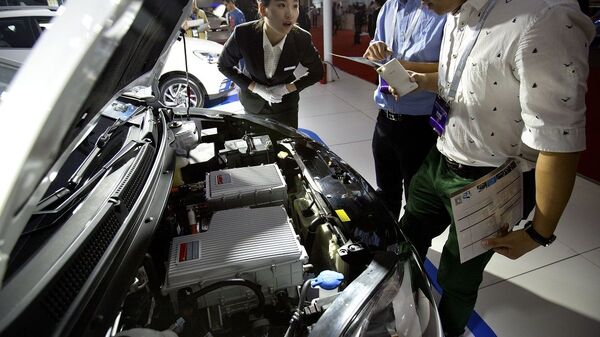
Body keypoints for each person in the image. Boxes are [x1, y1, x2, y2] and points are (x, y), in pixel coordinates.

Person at [400, 0, 595, 336]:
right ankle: (401, 308)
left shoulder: (544, 19)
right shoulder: (455, 13)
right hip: (441, 154)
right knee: (406, 237)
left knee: (458, 276)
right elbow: (463, 80)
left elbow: (559, 141)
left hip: (490, 179)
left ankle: (447, 328)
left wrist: (539, 233)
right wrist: (422, 80)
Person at [362, 0, 445, 219]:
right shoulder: (389, 6)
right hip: (385, 118)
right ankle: (389, 247)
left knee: (417, 201)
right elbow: (375, 50)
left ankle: (411, 249)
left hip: (421, 123)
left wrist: (402, 66)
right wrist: (374, 50)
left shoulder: (441, 8)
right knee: (385, 193)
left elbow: (450, 67)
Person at [217, 0, 324, 128]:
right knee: (257, 144)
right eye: (281, 5)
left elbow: (317, 72)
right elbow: (224, 65)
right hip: (253, 104)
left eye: (295, 6)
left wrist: (287, 88)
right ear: (263, 9)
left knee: (287, 144)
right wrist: (256, 88)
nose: (290, 14)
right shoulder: (243, 34)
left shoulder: (301, 38)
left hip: (286, 107)